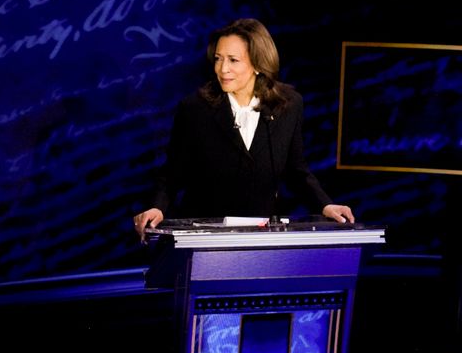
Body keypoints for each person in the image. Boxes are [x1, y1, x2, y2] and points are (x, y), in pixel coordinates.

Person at [132, 18, 355, 239]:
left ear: (258, 64)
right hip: (205, 237)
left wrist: (325, 205)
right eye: (218, 59)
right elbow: (172, 173)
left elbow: (297, 171)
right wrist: (156, 207)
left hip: (260, 237)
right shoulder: (195, 108)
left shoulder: (288, 105)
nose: (222, 69)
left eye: (233, 60)